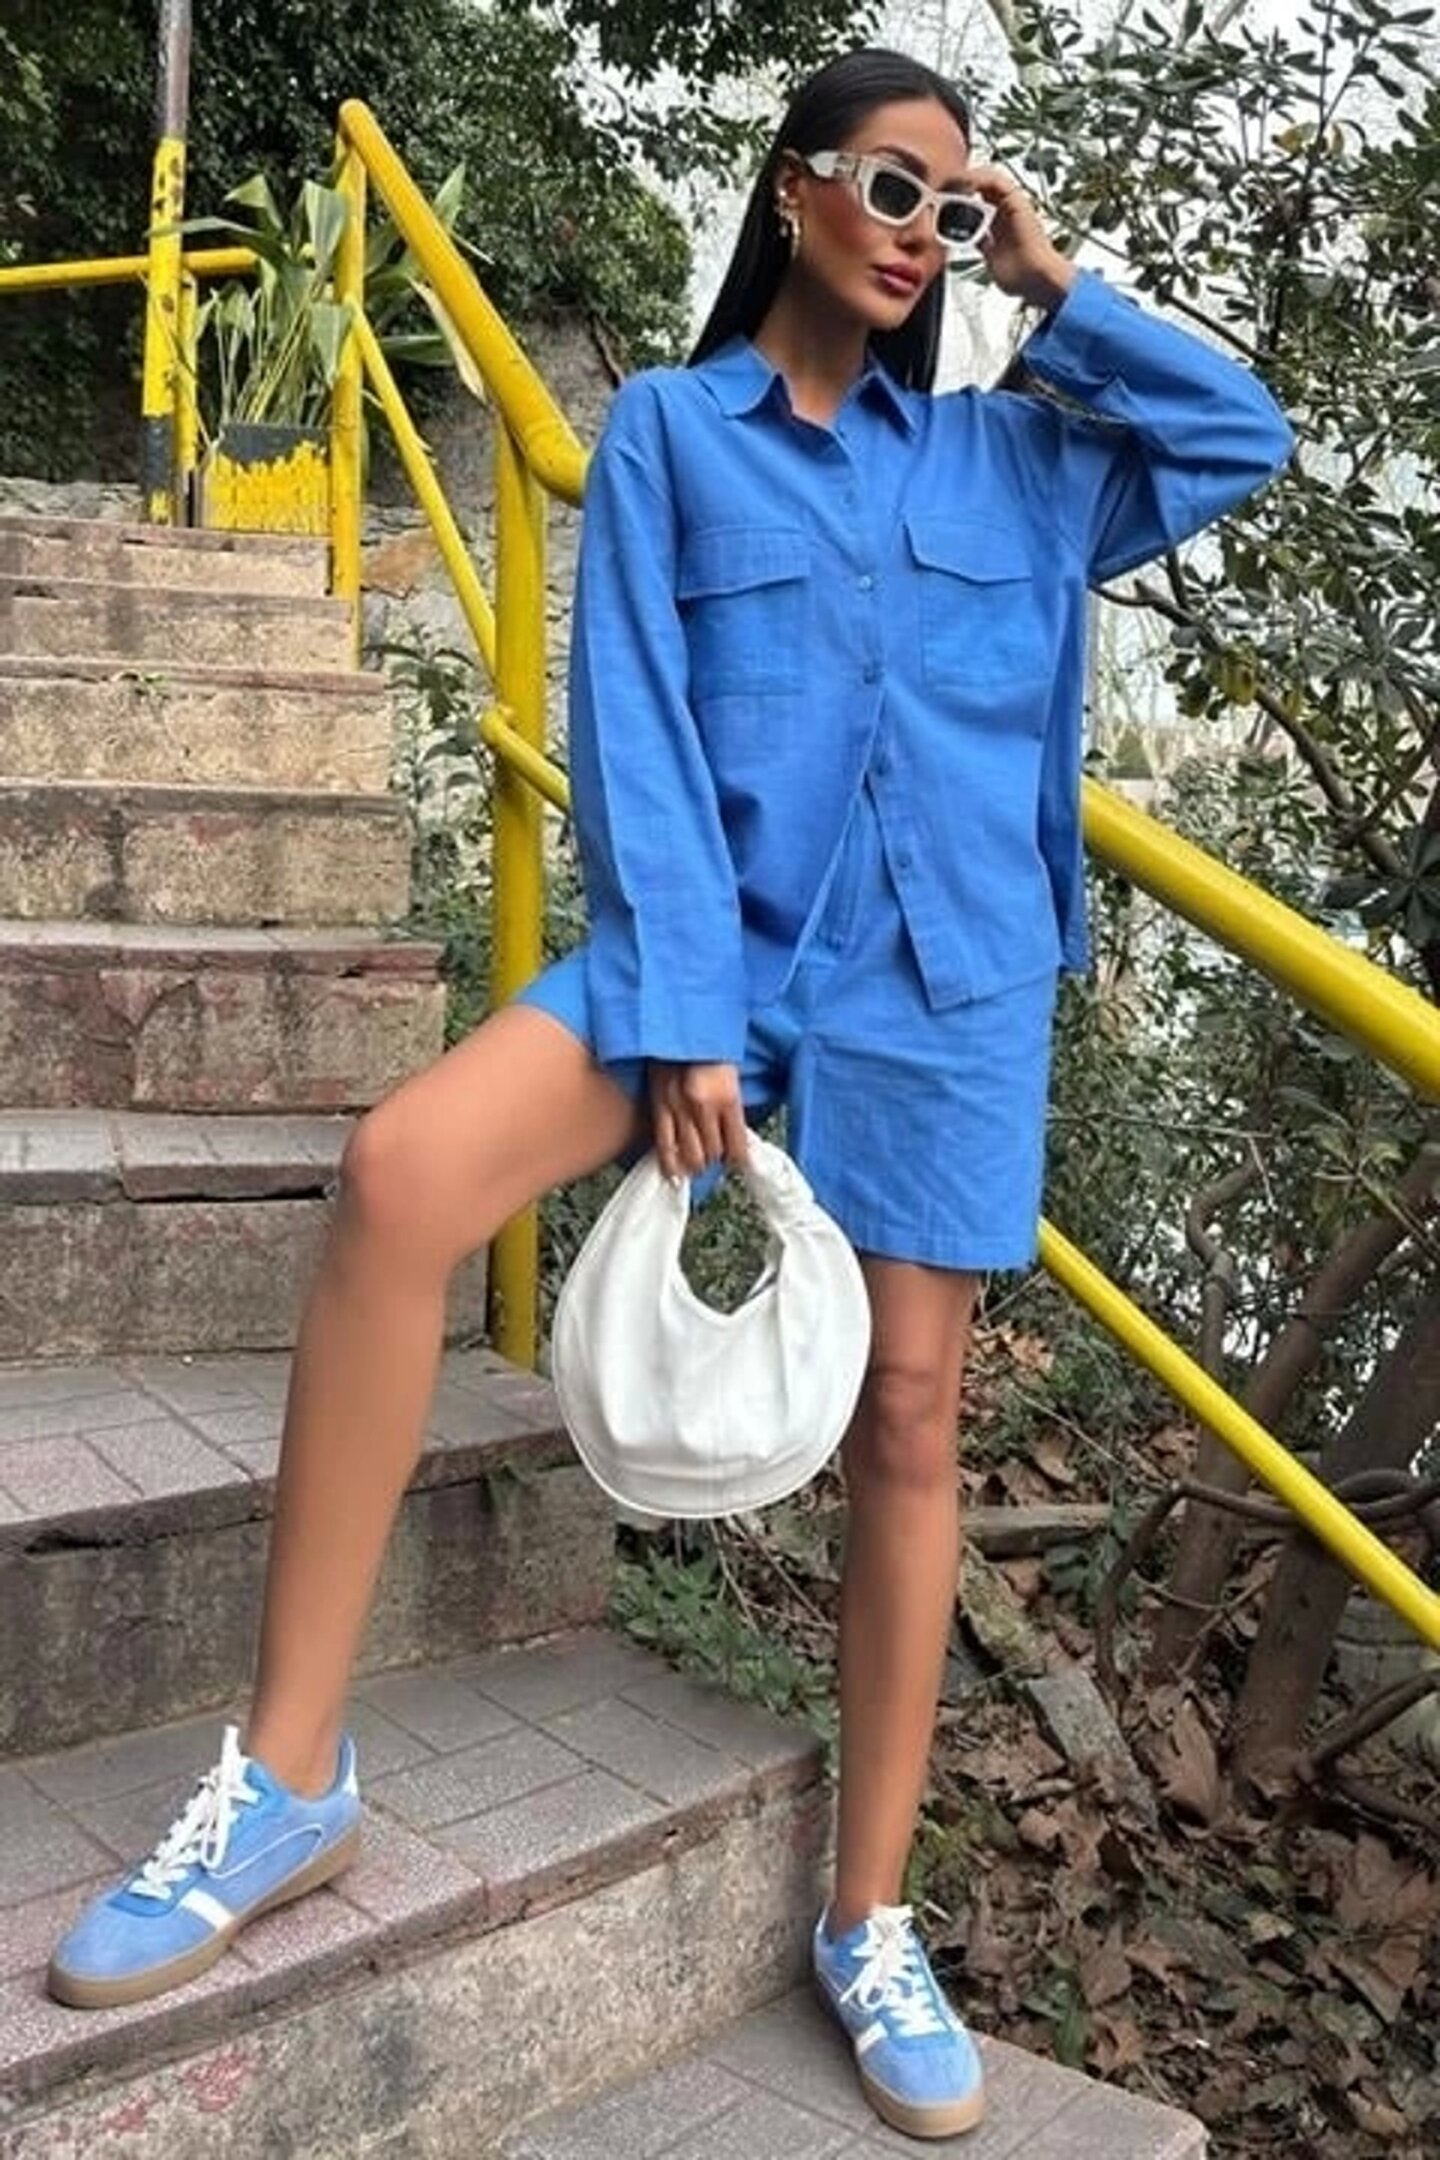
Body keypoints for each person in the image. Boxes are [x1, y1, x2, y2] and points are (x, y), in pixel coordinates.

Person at [49, 44, 1291, 2143]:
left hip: (945, 983)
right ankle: (290, 1776)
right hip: (713, 962)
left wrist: (1054, 282)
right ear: (793, 190)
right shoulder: (673, 437)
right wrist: (693, 1016)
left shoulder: (1020, 458)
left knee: (913, 1416)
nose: (922, 233)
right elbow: (630, 720)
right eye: (891, 186)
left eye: (954, 206)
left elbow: (1241, 435)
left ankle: (869, 1915)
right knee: (401, 1174)